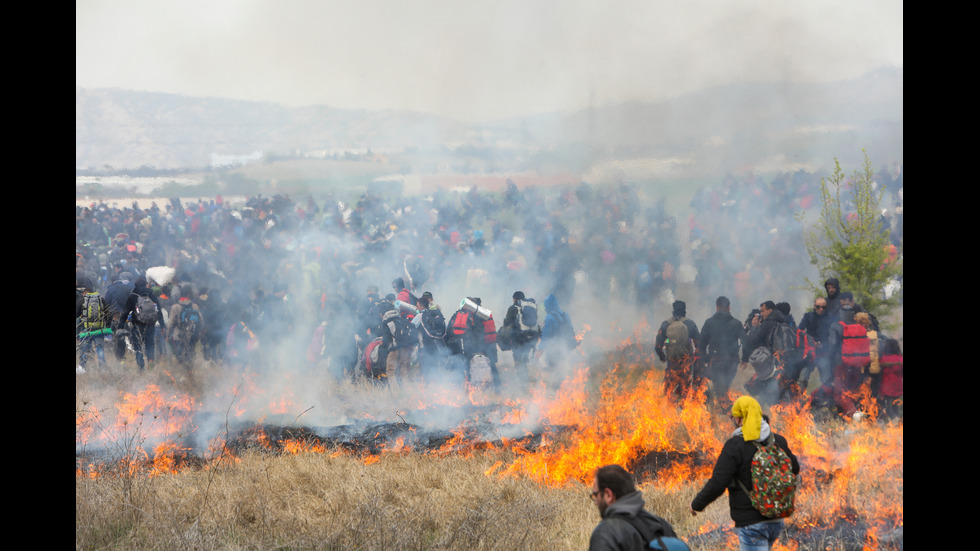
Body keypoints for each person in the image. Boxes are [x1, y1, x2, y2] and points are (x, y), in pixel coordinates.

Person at [690, 395, 800, 551]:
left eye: (734, 417)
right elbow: (795, 468)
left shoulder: (735, 445)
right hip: (777, 518)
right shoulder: (778, 441)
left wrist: (697, 504)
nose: (733, 421)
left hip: (751, 523)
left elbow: (718, 483)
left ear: (741, 419)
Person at [589, 464, 681, 551]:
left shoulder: (606, 533)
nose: (596, 501)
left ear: (608, 495)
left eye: (596, 495)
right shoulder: (662, 526)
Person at [698, 296, 747, 406]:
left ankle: (725, 409)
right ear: (729, 308)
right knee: (724, 387)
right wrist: (745, 358)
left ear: (716, 307)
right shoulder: (737, 323)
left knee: (720, 388)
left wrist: (705, 359)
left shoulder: (709, 322)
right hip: (732, 362)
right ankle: (725, 409)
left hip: (716, 361)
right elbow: (746, 342)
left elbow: (701, 344)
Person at [740, 301, 787, 408]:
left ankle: (773, 412)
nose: (761, 314)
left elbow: (752, 342)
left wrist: (754, 327)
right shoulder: (783, 321)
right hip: (783, 363)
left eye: (763, 311)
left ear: (770, 310)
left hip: (770, 364)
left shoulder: (767, 324)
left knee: (754, 387)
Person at [655, 300, 701, 398]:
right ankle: (683, 408)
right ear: (684, 311)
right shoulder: (690, 324)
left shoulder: (665, 324)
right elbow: (699, 344)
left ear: (673, 311)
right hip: (686, 363)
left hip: (672, 363)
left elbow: (658, 346)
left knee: (669, 390)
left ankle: (670, 409)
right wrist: (696, 358)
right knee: (685, 389)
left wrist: (663, 357)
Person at [122, 276, 167, 373]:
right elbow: (158, 310)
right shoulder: (151, 295)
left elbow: (125, 312)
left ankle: (141, 368)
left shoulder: (133, 296)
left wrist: (120, 326)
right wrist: (163, 325)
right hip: (150, 325)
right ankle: (150, 364)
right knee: (149, 345)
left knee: (138, 347)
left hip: (137, 326)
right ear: (146, 285)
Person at [502, 291, 540, 388]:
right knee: (524, 358)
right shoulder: (531, 307)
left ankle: (523, 383)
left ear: (514, 299)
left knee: (519, 360)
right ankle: (525, 380)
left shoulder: (513, 308)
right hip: (531, 337)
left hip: (519, 339)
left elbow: (507, 323)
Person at [539, 293, 577, 388]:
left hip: (553, 349)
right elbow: (571, 331)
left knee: (552, 369)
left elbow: (546, 336)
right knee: (560, 368)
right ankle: (560, 390)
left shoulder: (550, 317)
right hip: (564, 348)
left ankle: (554, 390)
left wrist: (540, 349)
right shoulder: (565, 315)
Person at [797, 297, 834, 388]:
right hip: (810, 353)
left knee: (826, 380)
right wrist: (810, 342)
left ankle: (828, 400)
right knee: (802, 378)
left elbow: (832, 336)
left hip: (823, 353)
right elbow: (799, 331)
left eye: (823, 307)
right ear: (814, 306)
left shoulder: (830, 318)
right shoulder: (808, 316)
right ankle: (801, 399)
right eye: (818, 307)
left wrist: (823, 344)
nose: (821, 309)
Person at [414, 291, 449, 382]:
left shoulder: (421, 315)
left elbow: (411, 326)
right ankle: (439, 387)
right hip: (438, 346)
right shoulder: (437, 312)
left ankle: (428, 389)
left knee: (426, 369)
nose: (416, 308)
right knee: (436, 368)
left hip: (425, 347)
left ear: (422, 306)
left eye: (417, 306)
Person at [77, 278, 110, 373]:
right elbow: (108, 314)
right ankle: (102, 368)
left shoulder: (82, 300)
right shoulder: (101, 299)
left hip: (86, 329)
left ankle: (82, 368)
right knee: (99, 348)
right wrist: (106, 326)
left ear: (84, 292)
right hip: (99, 329)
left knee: (84, 349)